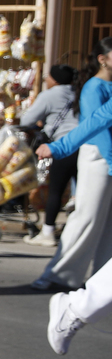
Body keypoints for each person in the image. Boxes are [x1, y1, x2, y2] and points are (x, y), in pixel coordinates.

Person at [33, 37, 112, 291]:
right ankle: (59, 275)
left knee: (108, 224)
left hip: (106, 157)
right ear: (103, 59)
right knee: (87, 217)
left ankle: (102, 282)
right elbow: (97, 124)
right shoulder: (93, 87)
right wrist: (59, 147)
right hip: (98, 156)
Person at [19, 64, 82, 249]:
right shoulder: (80, 92)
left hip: (63, 145)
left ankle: (47, 232)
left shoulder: (50, 94)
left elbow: (27, 121)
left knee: (56, 190)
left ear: (54, 79)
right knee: (81, 193)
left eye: (48, 77)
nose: (46, 79)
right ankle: (76, 231)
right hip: (85, 145)